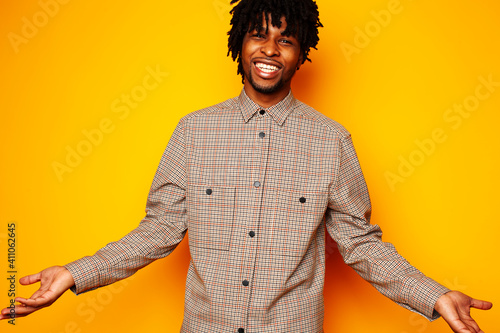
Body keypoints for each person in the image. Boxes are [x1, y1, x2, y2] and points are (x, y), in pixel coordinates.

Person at [0, 0, 492, 332]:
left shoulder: (331, 141)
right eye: (258, 35)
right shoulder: (193, 132)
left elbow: (361, 245)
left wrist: (432, 295)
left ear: (302, 54)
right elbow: (160, 229)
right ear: (240, 45)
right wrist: (76, 274)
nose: (270, 50)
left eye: (286, 39)